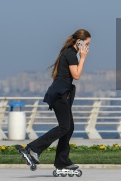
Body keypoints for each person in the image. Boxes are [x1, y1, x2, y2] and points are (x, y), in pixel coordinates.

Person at [16, 29, 90, 172]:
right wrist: (83, 58)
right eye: (86, 44)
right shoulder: (71, 54)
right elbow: (76, 75)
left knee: (69, 127)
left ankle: (62, 161)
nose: (87, 47)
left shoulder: (69, 53)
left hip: (61, 94)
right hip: (59, 95)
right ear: (79, 42)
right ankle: (32, 149)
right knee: (64, 127)